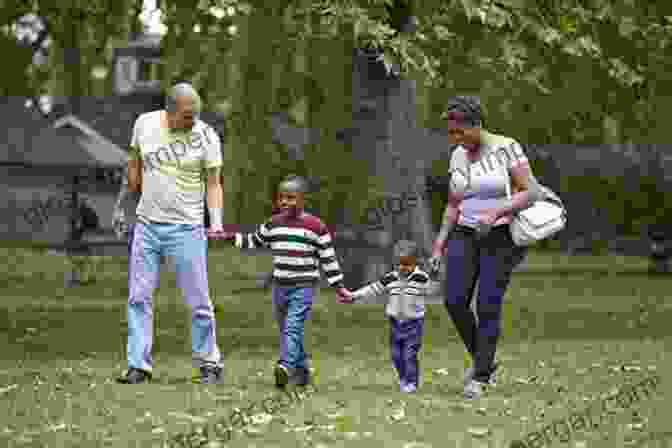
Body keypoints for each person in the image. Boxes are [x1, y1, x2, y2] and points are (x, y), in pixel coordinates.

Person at [428, 96, 542, 399]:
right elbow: (453, 204)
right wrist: (439, 244)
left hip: (500, 237)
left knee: (488, 303)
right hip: (465, 234)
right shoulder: (457, 156)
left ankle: (479, 375)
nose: (455, 139)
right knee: (454, 300)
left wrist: (496, 213)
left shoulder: (507, 147)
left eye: (459, 132)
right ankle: (486, 360)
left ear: (476, 125)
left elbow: (531, 191)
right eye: (451, 133)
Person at [116, 83, 226, 385]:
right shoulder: (145, 124)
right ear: (169, 110)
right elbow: (134, 164)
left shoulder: (206, 136)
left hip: (187, 229)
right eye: (188, 116)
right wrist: (123, 206)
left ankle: (209, 362)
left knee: (199, 301)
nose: (194, 121)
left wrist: (215, 222)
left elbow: (214, 183)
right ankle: (138, 366)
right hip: (147, 227)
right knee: (138, 298)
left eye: (197, 115)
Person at [211, 174, 352, 388]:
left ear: (303, 199)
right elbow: (254, 241)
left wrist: (338, 286)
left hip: (304, 286)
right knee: (287, 329)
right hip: (280, 287)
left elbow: (328, 259)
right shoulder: (273, 224)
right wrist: (228, 237)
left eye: (291, 198)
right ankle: (302, 370)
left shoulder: (316, 227)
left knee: (292, 327)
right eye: (281, 198)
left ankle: (285, 366)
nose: (284, 202)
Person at [339, 239, 440, 393]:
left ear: (415, 262)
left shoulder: (421, 278)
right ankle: (403, 378)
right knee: (396, 355)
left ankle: (411, 382)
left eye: (407, 264)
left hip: (413, 324)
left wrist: (434, 276)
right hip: (395, 324)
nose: (402, 268)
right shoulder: (391, 278)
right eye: (398, 264)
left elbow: (432, 290)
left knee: (409, 354)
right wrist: (353, 296)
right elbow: (373, 289)